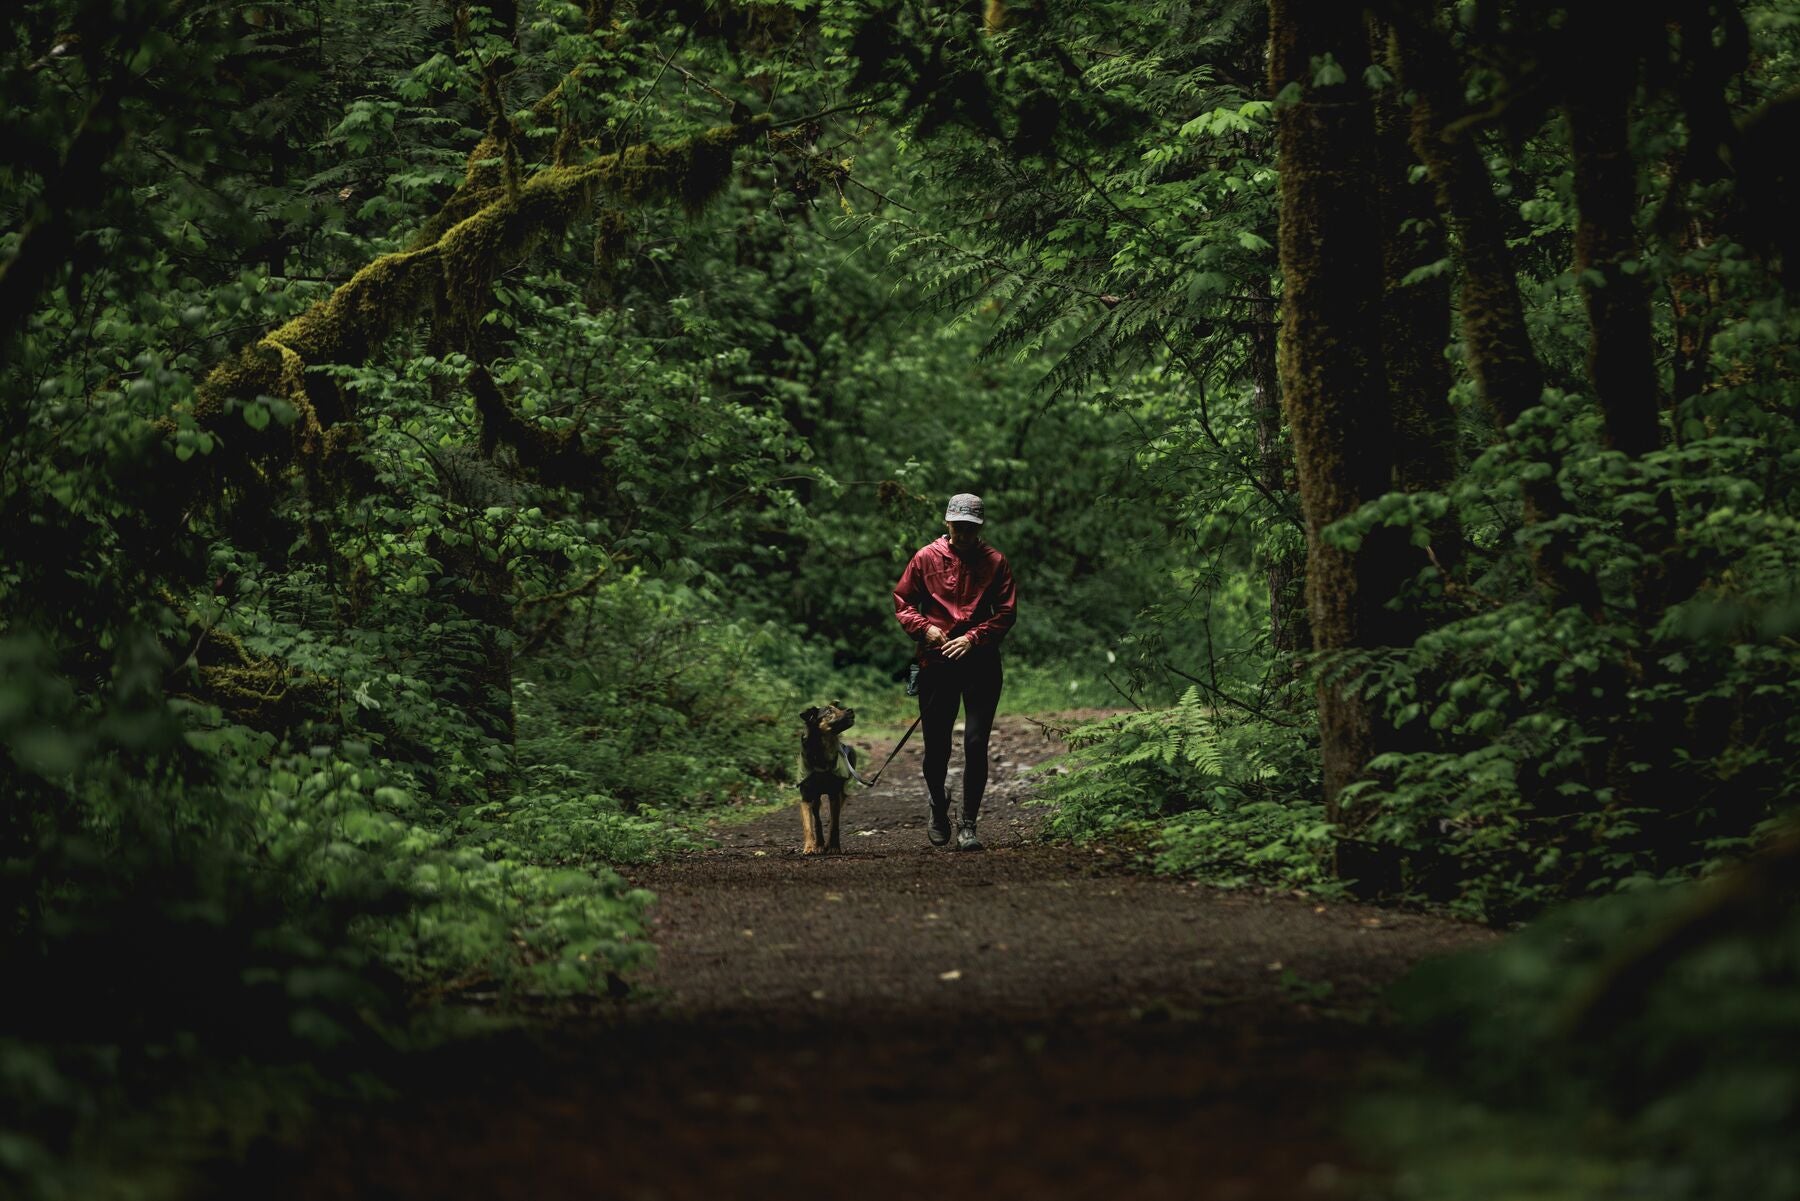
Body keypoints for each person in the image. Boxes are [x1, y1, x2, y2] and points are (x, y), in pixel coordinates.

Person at [892, 492, 1018, 851]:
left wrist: (974, 638)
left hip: (981, 663)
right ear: (947, 522)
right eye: (957, 526)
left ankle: (969, 824)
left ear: (979, 527)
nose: (963, 534)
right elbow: (903, 602)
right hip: (937, 663)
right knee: (936, 747)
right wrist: (926, 628)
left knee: (976, 743)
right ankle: (937, 803)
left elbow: (1006, 613)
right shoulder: (925, 558)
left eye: (970, 528)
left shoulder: (995, 562)